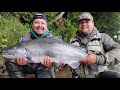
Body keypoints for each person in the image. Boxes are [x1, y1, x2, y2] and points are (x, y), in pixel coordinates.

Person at [5, 13, 64, 78]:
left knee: (48, 68)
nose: (39, 25)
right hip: (29, 66)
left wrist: (52, 64)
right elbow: (16, 53)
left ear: (46, 25)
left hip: (45, 68)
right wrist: (19, 61)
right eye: (36, 22)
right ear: (32, 24)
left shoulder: (53, 41)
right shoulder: (25, 39)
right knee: (10, 61)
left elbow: (59, 62)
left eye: (42, 23)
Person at [70, 12, 120, 78]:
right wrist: (59, 64)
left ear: (93, 23)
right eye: (81, 22)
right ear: (78, 25)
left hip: (100, 75)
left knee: (116, 76)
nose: (84, 24)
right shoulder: (71, 41)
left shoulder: (103, 37)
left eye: (87, 21)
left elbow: (118, 50)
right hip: (79, 76)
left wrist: (97, 59)